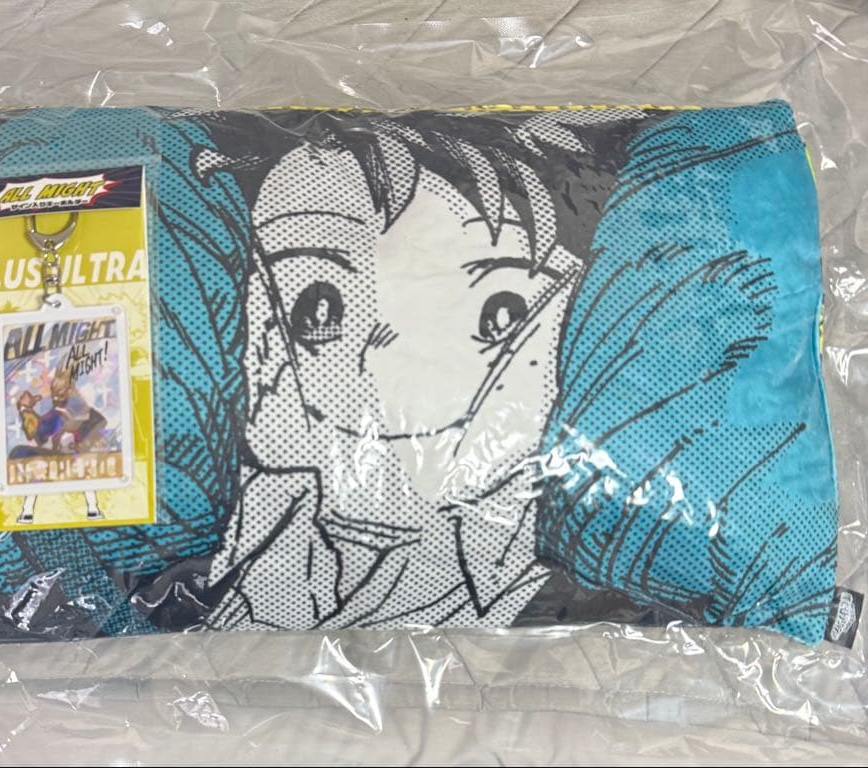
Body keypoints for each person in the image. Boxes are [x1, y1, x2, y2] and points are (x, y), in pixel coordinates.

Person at [181, 108, 647, 629]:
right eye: (317, 310)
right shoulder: (244, 539)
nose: (380, 372)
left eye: (498, 315)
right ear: (258, 324)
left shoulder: (583, 570)